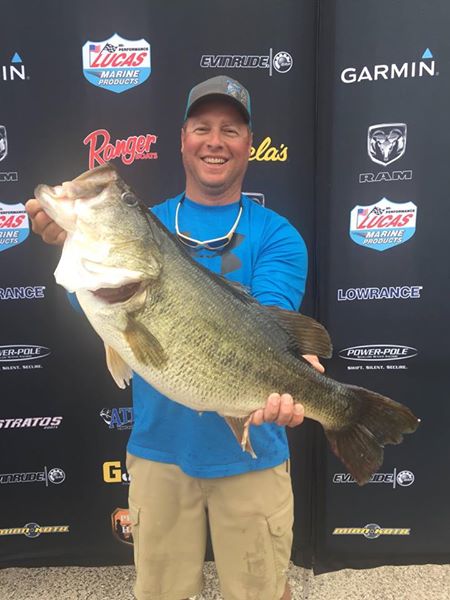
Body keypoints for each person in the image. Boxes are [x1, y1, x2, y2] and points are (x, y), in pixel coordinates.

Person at [26, 75, 324, 600]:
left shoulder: (278, 235)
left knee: (261, 593)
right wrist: (70, 238)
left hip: (254, 453)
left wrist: (300, 375)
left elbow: (269, 325)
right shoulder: (150, 223)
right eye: (202, 127)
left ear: (249, 144)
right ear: (183, 139)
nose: (215, 141)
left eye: (230, 129)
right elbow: (94, 299)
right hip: (158, 454)